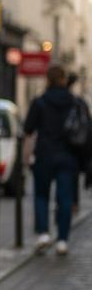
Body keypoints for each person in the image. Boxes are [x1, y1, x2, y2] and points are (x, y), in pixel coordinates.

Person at [23, 63, 88, 255]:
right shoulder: (75, 102)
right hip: (68, 156)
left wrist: (26, 156)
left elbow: (28, 130)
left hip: (44, 155)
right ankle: (62, 240)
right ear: (64, 79)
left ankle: (43, 233)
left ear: (48, 79)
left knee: (41, 195)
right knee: (65, 198)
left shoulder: (40, 101)